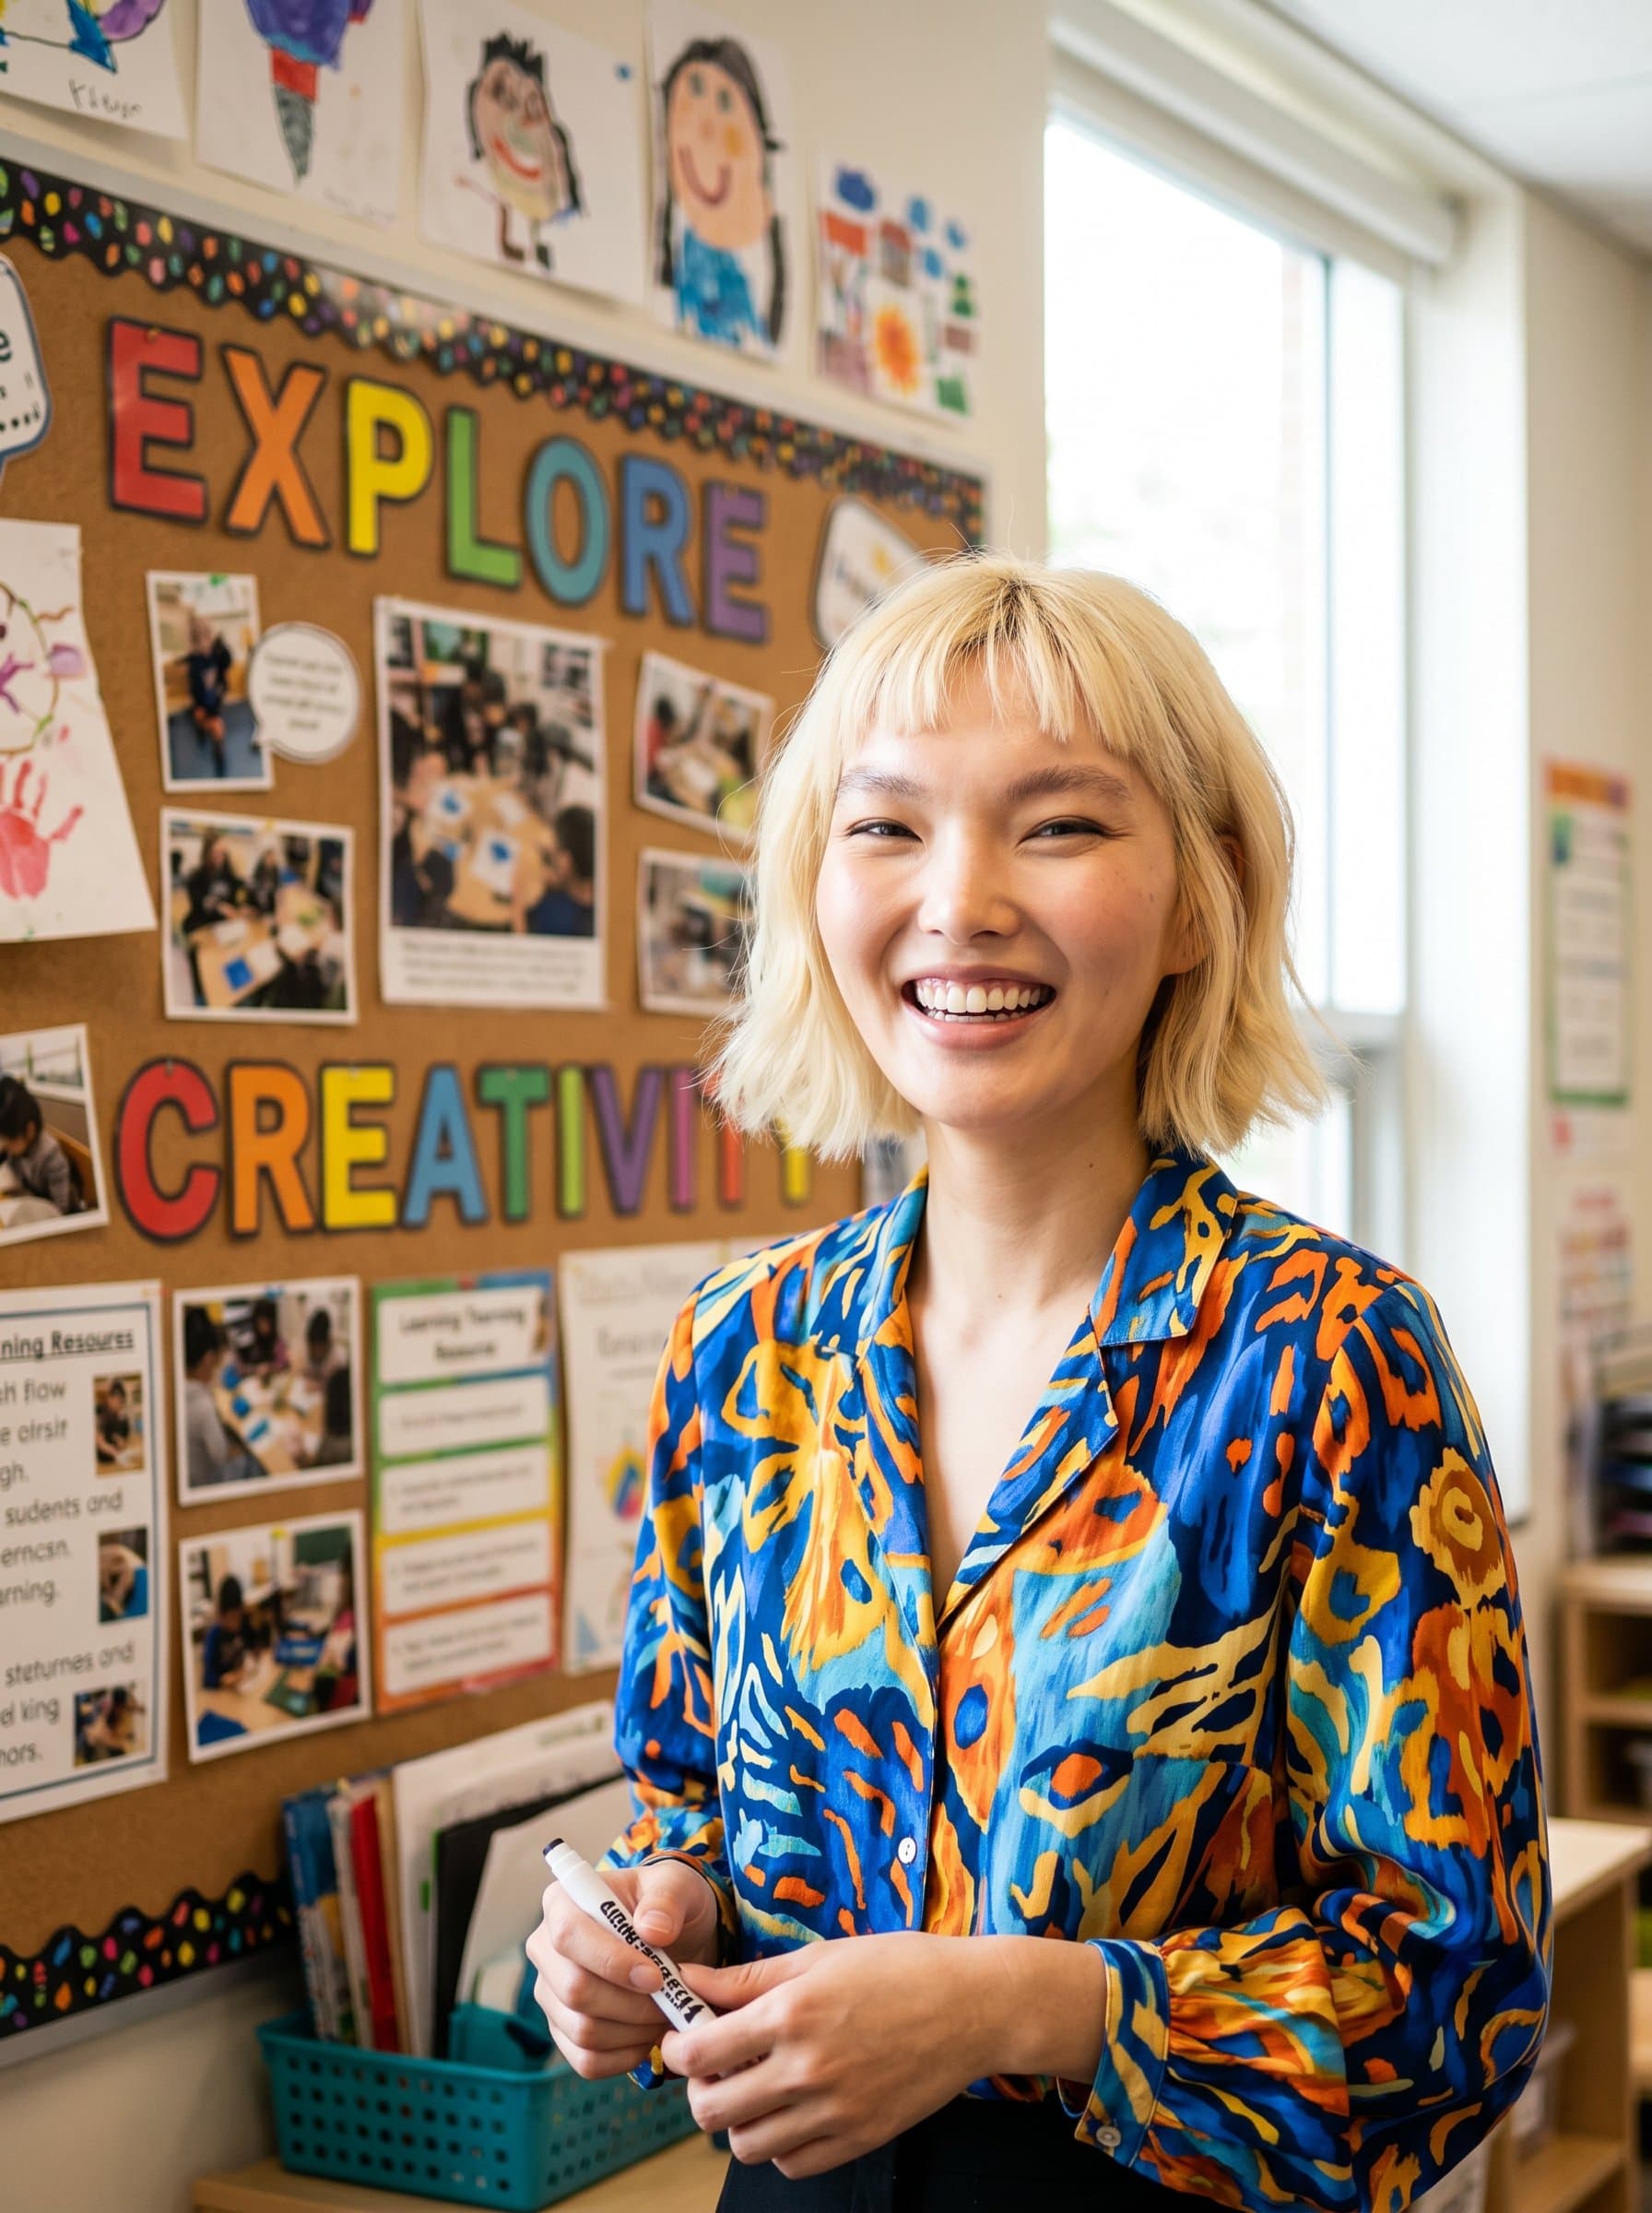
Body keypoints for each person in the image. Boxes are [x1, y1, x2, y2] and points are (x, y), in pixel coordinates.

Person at [527, 557, 1552, 2212]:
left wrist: (1025, 2006)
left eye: (1058, 825)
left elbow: (1456, 2002)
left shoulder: (1331, 1359)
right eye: (886, 827)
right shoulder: (746, 1345)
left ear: (1201, 893)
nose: (959, 900)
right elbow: (696, 1813)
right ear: (813, 886)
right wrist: (651, 1922)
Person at [182, 1306, 257, 1491]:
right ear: (208, 1359)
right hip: (206, 1483)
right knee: (252, 1461)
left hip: (191, 1475)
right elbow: (221, 1455)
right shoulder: (202, 1407)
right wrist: (246, 1448)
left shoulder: (181, 1390)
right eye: (217, 1360)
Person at [0, 1075, 82, 1214]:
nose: (4, 1144)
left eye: (8, 1140)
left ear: (30, 1129)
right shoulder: (17, 1147)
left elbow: (61, 1210)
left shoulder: (52, 1156)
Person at [515, 806, 595, 937]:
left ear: (565, 863)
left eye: (553, 853)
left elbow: (522, 937)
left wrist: (517, 902)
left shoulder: (550, 913)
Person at [200, 1574, 251, 1692]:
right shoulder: (213, 1636)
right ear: (222, 1616)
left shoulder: (241, 1628)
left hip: (237, 1692)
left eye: (239, 1617)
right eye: (233, 1617)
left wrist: (243, 1668)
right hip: (220, 1694)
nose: (237, 1624)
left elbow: (243, 1659)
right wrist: (225, 1679)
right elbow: (207, 1681)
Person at [94, 1378, 132, 1466]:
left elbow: (124, 1444)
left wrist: (122, 1443)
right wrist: (116, 1453)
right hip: (100, 1462)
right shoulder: (100, 1412)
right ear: (109, 1398)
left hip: (113, 1462)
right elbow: (100, 1442)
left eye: (121, 1401)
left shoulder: (124, 1420)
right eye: (115, 1399)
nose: (118, 1403)